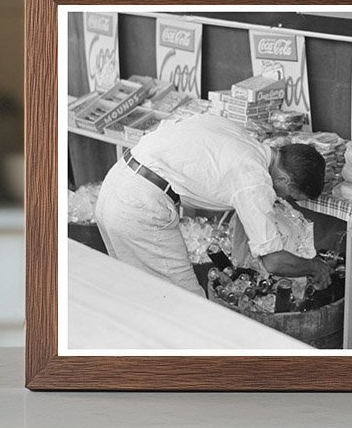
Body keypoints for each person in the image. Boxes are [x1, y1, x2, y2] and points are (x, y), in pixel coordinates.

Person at [93, 112, 333, 295]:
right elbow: (273, 260)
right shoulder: (254, 180)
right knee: (187, 305)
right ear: (284, 178)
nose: (282, 199)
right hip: (139, 205)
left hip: (118, 181)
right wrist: (315, 267)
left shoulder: (243, 139)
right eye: (290, 194)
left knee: (138, 292)